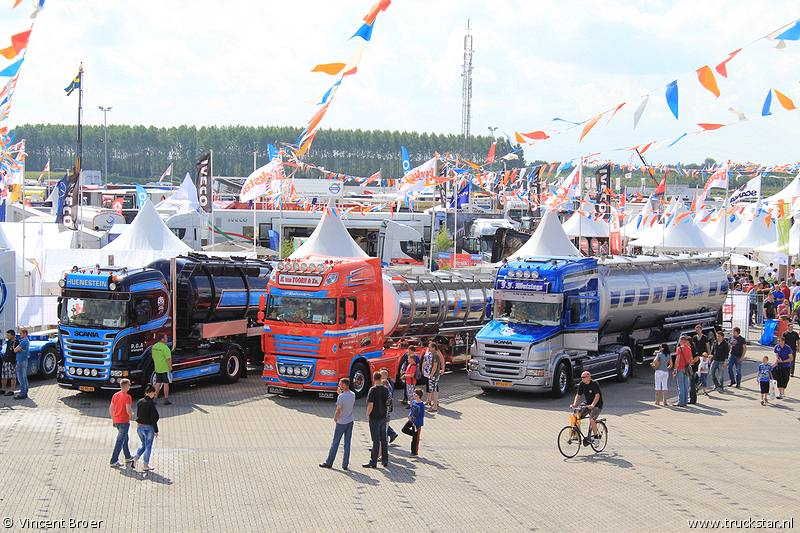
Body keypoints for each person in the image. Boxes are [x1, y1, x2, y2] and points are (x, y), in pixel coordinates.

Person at [320, 377, 355, 470]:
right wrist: (341, 394)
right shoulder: (353, 394)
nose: (338, 384)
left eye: (340, 383)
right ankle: (345, 464)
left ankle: (329, 462)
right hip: (350, 421)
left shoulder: (341, 397)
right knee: (347, 443)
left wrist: (335, 418)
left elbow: (338, 410)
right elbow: (346, 401)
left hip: (341, 422)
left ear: (344, 385)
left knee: (335, 442)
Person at [363, 371, 389, 468]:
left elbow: (371, 404)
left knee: (376, 440)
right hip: (383, 416)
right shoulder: (385, 390)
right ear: (381, 378)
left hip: (374, 417)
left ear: (373, 379)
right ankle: (385, 460)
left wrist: (368, 414)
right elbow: (387, 403)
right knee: (383, 438)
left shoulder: (372, 390)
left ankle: (373, 461)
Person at [570, 371, 603, 445]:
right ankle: (576, 434)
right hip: (587, 403)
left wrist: (593, 405)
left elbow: (597, 395)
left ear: (589, 377)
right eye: (582, 377)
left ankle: (596, 437)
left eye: (584, 377)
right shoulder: (582, 384)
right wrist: (574, 404)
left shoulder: (594, 384)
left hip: (597, 404)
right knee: (576, 415)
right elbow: (578, 395)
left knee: (591, 419)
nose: (582, 379)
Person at [109, 378, 135, 467]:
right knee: (120, 441)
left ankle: (127, 456)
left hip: (117, 421)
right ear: (126, 386)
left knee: (125, 438)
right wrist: (131, 414)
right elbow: (128, 410)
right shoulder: (128, 397)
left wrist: (113, 420)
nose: (129, 387)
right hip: (124, 421)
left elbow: (111, 408)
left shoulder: (115, 395)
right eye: (129, 385)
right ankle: (113, 460)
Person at [134, 384, 160, 471]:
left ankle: (136, 458)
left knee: (144, 444)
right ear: (151, 393)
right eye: (154, 394)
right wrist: (156, 430)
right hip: (148, 428)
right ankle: (145, 464)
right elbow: (153, 418)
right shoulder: (151, 403)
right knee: (148, 446)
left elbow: (138, 414)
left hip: (139, 427)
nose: (154, 395)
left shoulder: (140, 401)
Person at [672, 335, 696, 407]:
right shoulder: (689, 348)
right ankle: (685, 401)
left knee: (681, 386)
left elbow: (677, 359)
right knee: (686, 385)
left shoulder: (680, 348)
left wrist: (675, 368)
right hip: (686, 368)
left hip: (680, 368)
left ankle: (681, 402)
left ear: (681, 341)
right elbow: (691, 359)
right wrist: (689, 365)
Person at [401, 388, 425, 456]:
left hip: (417, 423)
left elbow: (421, 416)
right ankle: (415, 435)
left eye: (415, 394)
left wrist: (416, 423)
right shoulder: (414, 402)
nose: (413, 395)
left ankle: (414, 452)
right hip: (411, 420)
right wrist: (409, 416)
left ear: (419, 396)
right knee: (404, 429)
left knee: (414, 440)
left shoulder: (421, 405)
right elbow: (411, 410)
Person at [151, 333, 172, 405]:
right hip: (165, 368)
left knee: (158, 383)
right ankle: (166, 399)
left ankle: (155, 399)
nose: (167, 339)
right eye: (166, 338)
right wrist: (170, 367)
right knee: (166, 384)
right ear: (162, 339)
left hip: (158, 368)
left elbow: (153, 357)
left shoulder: (154, 347)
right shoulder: (165, 348)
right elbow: (168, 358)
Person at [380, 368, 398, 445]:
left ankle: (390, 435)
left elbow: (387, 399)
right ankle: (392, 434)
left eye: (380, 375)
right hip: (385, 409)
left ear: (384, 377)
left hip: (385, 410)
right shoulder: (387, 385)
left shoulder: (387, 387)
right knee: (384, 425)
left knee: (383, 425)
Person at [13, 328, 30, 400]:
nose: (20, 335)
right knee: (24, 377)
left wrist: (18, 349)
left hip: (21, 361)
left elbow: (15, 350)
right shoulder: (26, 341)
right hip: (24, 360)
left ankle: (22, 393)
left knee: (21, 378)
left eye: (21, 333)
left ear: (25, 333)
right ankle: (25, 391)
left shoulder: (23, 342)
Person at [428, 342, 444, 412]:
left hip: (434, 375)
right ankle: (435, 403)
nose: (429, 348)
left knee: (434, 390)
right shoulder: (434, 354)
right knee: (434, 390)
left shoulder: (436, 355)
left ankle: (435, 406)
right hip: (434, 375)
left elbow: (435, 366)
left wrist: (431, 374)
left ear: (434, 348)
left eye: (430, 347)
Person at [2, 329, 18, 396]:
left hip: (11, 362)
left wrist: (13, 361)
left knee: (12, 376)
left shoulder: (16, 342)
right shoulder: (8, 342)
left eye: (9, 335)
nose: (7, 336)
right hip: (5, 361)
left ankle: (12, 390)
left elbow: (16, 352)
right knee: (3, 376)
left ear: (12, 335)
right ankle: (3, 389)